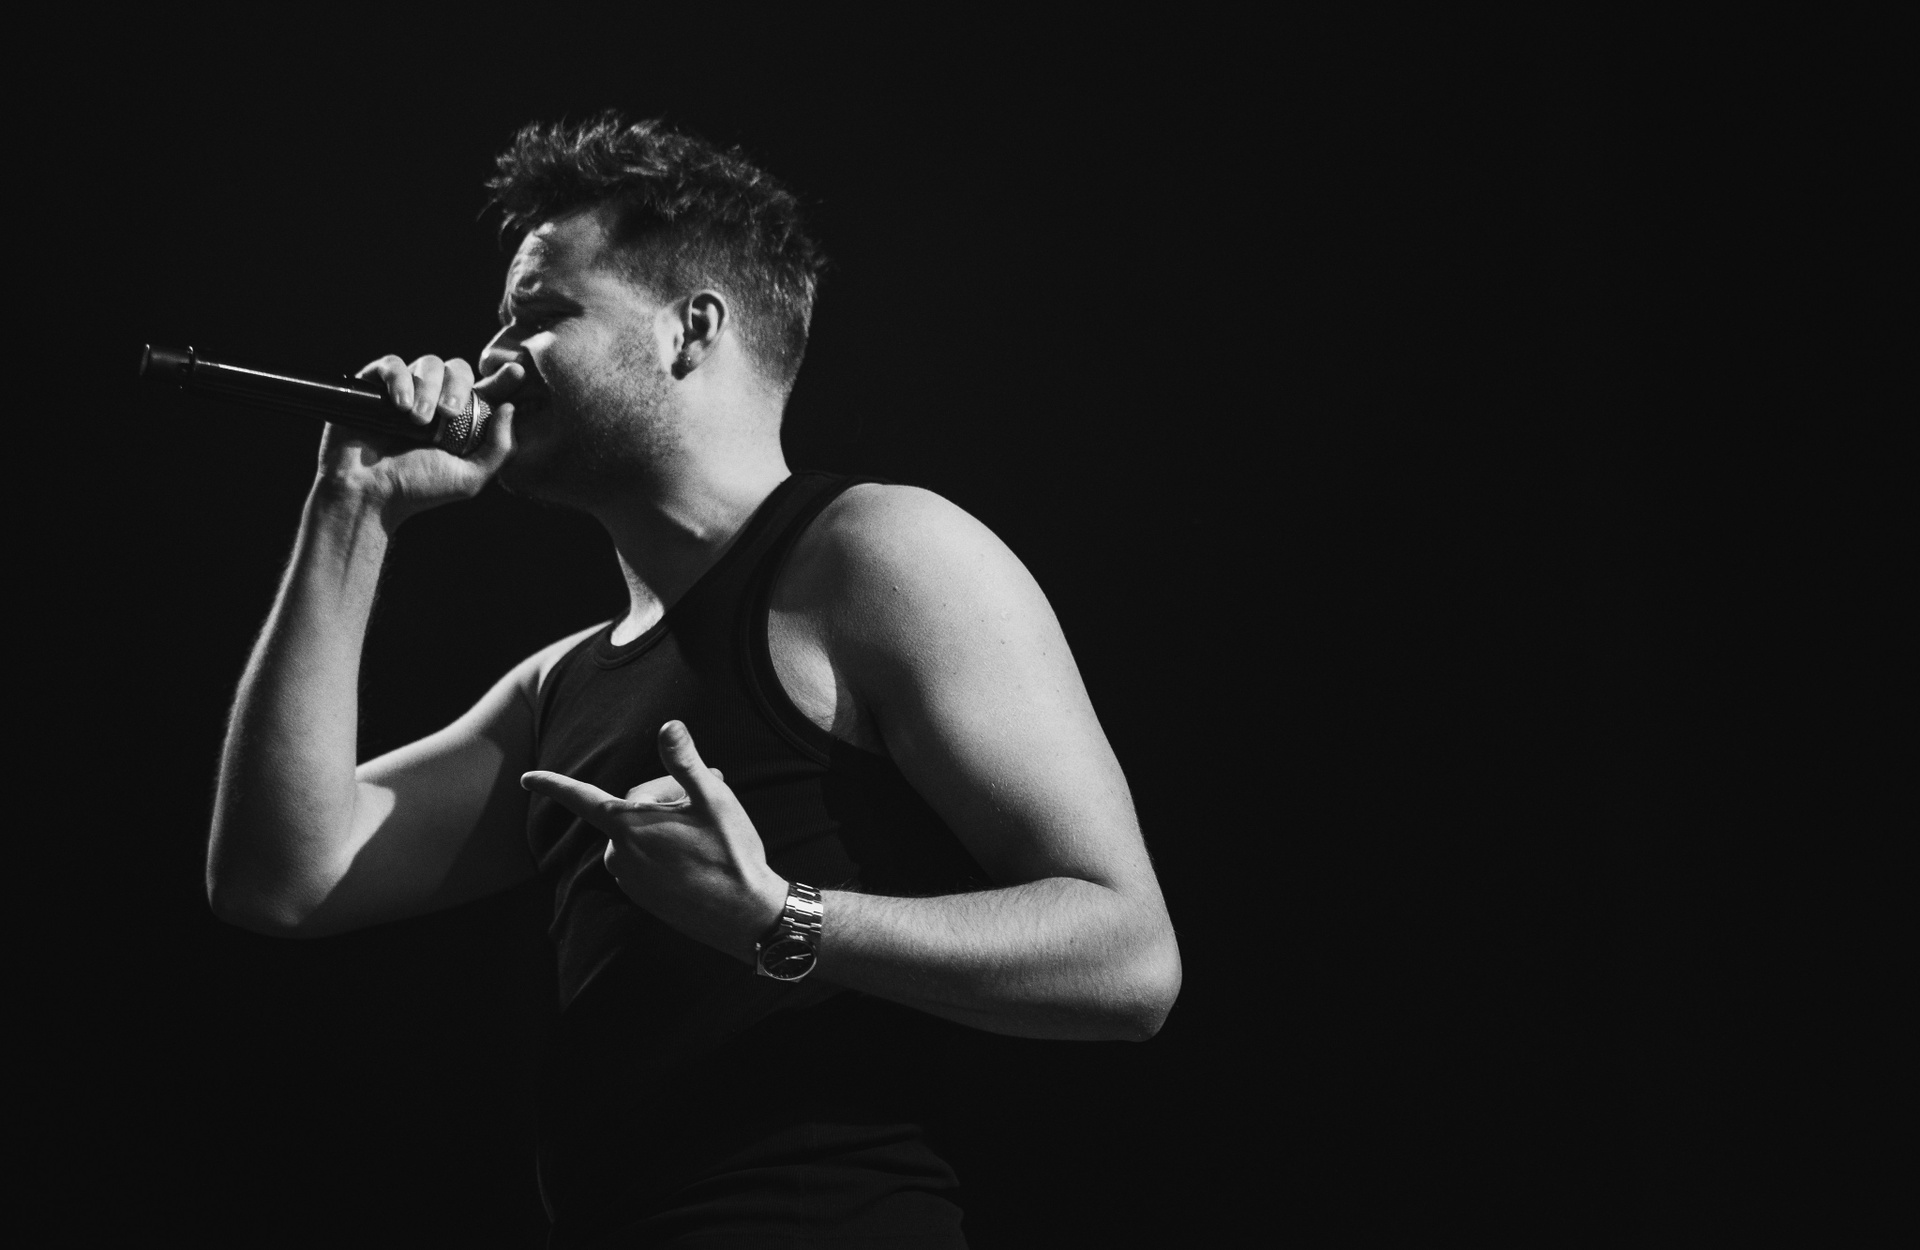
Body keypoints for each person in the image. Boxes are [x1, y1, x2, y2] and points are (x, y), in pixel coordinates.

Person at [206, 113, 1180, 1248]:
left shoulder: (881, 554)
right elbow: (284, 873)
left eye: (540, 314)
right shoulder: (560, 683)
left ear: (691, 329)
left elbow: (1129, 959)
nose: (490, 358)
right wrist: (351, 510)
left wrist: (778, 917)